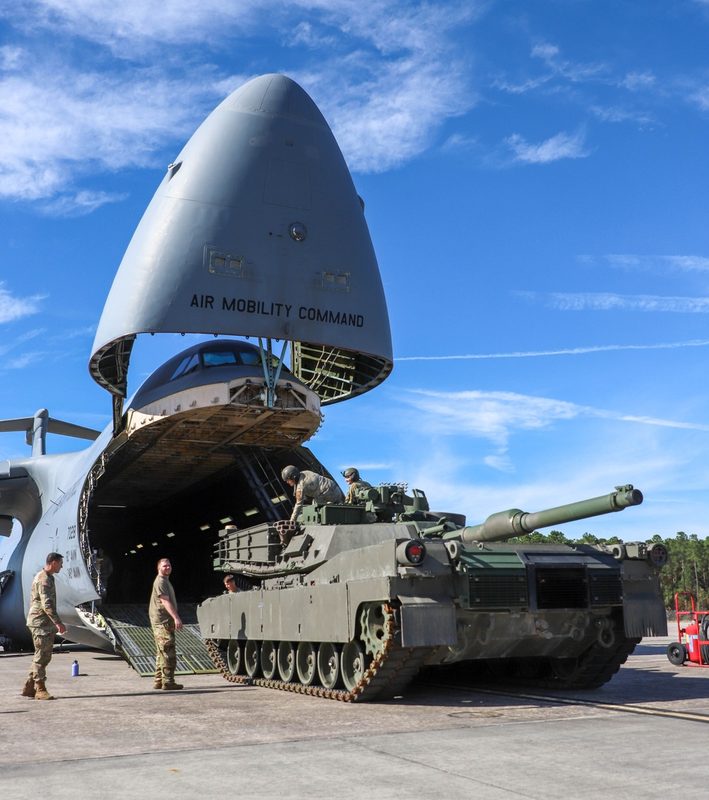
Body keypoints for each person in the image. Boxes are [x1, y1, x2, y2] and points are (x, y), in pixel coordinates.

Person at [22, 552, 66, 700]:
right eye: (60, 563)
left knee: (41, 655)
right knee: (42, 655)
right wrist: (58, 622)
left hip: (42, 622)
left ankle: (29, 686)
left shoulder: (48, 577)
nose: (62, 566)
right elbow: (47, 604)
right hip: (40, 622)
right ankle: (40, 688)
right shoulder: (44, 579)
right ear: (53, 562)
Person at [149, 558, 184, 691]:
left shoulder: (165, 581)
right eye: (164, 566)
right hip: (162, 621)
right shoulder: (161, 581)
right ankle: (168, 682)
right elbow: (165, 601)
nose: (167, 568)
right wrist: (176, 618)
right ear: (158, 568)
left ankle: (159, 680)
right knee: (168, 651)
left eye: (169, 565)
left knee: (161, 651)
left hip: (163, 621)